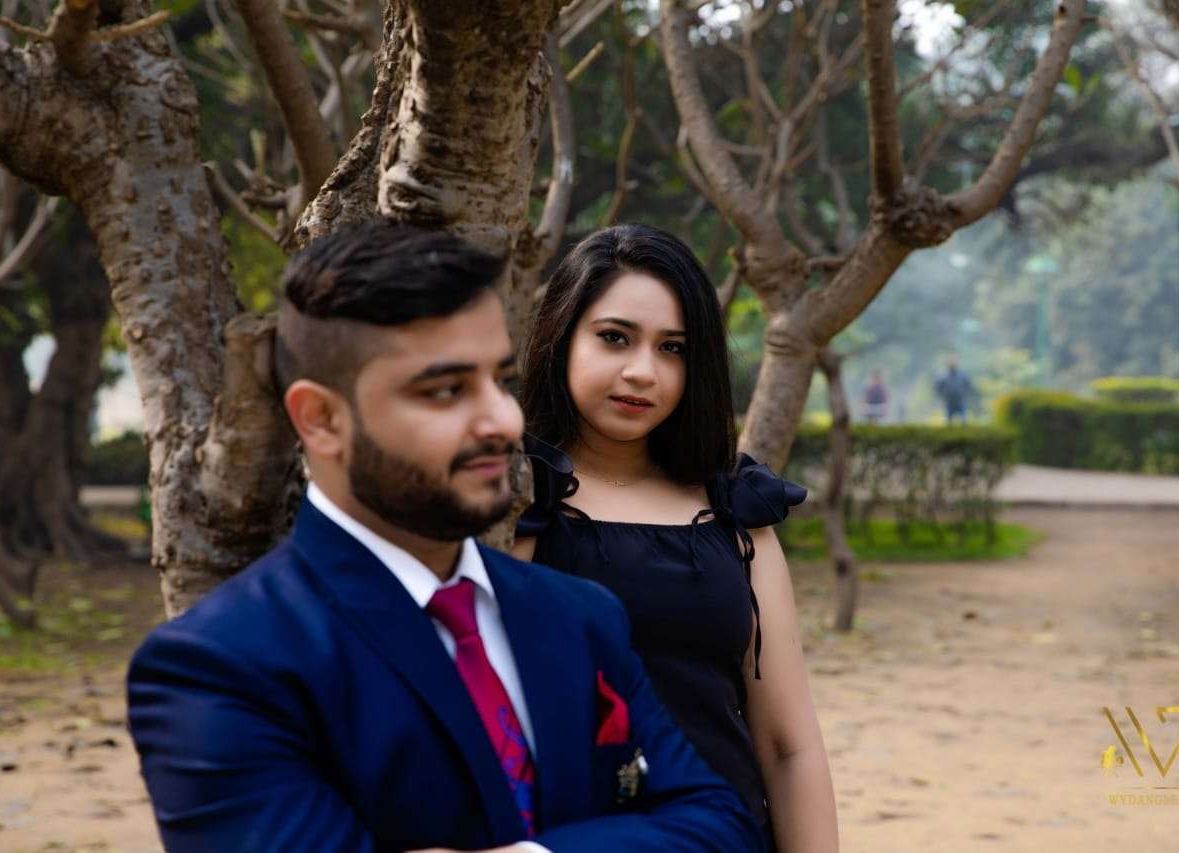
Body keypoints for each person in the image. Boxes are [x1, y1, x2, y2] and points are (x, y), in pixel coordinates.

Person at [126, 221, 763, 853]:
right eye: (446, 390)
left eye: (501, 381)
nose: (503, 420)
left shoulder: (579, 614)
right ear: (320, 419)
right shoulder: (220, 666)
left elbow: (717, 825)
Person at [513, 224, 839, 852]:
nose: (643, 372)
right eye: (615, 338)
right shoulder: (517, 502)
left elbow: (788, 746)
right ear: (561, 336)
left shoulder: (735, 511)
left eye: (672, 349)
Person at [934, 356, 974, 424]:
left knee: (964, 420)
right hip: (949, 402)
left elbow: (968, 385)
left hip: (960, 400)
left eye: (954, 363)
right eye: (951, 363)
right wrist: (943, 396)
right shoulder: (943, 375)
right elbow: (938, 387)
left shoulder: (962, 375)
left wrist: (965, 394)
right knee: (949, 421)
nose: (952, 365)